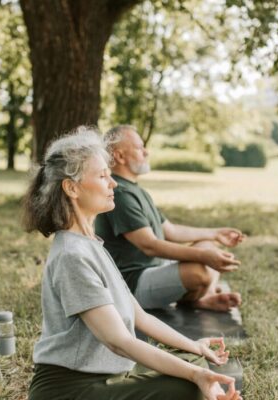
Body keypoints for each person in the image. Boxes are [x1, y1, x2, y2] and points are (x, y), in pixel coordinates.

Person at [23, 127, 242, 400]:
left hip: (110, 373)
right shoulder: (72, 256)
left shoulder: (91, 244)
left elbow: (140, 317)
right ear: (72, 188)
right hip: (70, 388)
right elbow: (120, 342)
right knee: (189, 386)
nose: (113, 183)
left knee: (192, 359)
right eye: (103, 176)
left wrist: (195, 347)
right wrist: (195, 375)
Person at [95, 125, 245, 312]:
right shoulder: (121, 194)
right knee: (200, 271)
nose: (146, 152)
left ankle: (201, 298)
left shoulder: (136, 190)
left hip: (155, 269)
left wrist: (215, 234)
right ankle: (201, 296)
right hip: (132, 284)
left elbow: (171, 231)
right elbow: (149, 245)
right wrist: (204, 257)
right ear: (119, 156)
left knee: (208, 245)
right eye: (139, 148)